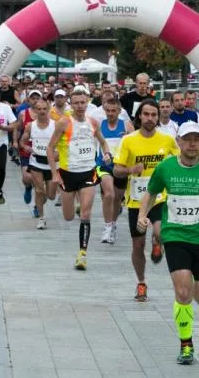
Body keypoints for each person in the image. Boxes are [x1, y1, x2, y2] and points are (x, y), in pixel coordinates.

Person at [137, 121, 199, 365]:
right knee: (182, 292)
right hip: (175, 235)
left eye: (196, 139)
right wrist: (142, 215)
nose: (192, 144)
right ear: (178, 142)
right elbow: (150, 192)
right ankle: (186, 344)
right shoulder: (166, 167)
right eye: (187, 139)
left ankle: (191, 293)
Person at [113, 99, 178, 301]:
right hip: (136, 200)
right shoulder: (128, 140)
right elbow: (116, 170)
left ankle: (158, 241)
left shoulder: (167, 140)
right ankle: (141, 282)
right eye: (146, 114)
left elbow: (180, 161)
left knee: (160, 232)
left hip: (159, 197)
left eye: (154, 115)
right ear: (140, 116)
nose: (150, 118)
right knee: (138, 245)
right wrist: (131, 169)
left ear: (158, 117)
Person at [47, 89, 112, 270]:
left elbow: (103, 142)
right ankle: (75, 204)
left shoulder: (93, 122)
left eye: (83, 102)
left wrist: (107, 153)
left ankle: (82, 254)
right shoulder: (64, 122)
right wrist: (54, 173)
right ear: (71, 104)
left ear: (87, 102)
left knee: (86, 214)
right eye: (76, 103)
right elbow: (50, 148)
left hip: (88, 172)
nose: (80, 106)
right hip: (68, 174)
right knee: (68, 217)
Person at [96, 96, 134, 244]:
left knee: (117, 198)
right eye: (108, 111)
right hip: (103, 165)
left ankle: (113, 224)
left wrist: (128, 138)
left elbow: (135, 144)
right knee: (109, 194)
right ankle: (107, 227)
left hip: (121, 167)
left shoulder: (126, 125)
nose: (110, 113)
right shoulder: (99, 125)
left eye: (113, 111)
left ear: (119, 111)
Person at [19, 98, 57, 229]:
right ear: (35, 110)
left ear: (48, 109)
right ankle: (41, 218)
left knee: (51, 196)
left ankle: (42, 197)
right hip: (36, 162)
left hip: (51, 163)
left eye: (44, 109)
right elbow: (22, 141)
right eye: (39, 109)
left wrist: (59, 153)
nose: (42, 111)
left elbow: (64, 142)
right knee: (39, 190)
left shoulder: (55, 125)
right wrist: (25, 147)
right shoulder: (31, 126)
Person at [13, 90, 42, 214]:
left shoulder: (45, 114)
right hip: (25, 148)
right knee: (27, 178)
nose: (35, 100)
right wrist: (15, 141)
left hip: (40, 150)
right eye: (32, 98)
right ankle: (28, 187)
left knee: (39, 182)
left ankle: (37, 206)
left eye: (37, 98)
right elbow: (17, 128)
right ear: (28, 100)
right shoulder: (23, 114)